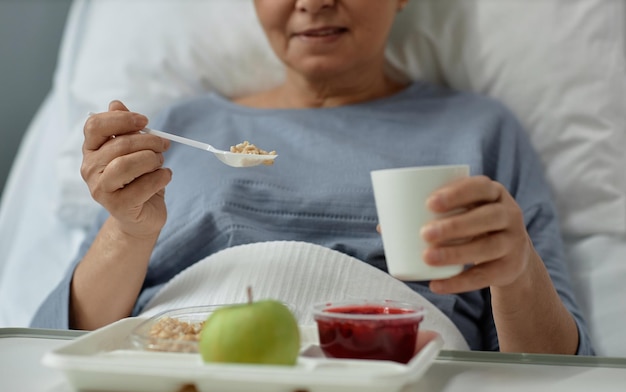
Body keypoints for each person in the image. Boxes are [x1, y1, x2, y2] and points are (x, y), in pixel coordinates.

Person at [32, 0, 593, 355]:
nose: (315, 3)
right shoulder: (183, 127)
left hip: (391, 374)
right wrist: (128, 234)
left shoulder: (478, 128)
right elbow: (56, 338)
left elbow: (552, 367)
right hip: (181, 370)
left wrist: (516, 271)